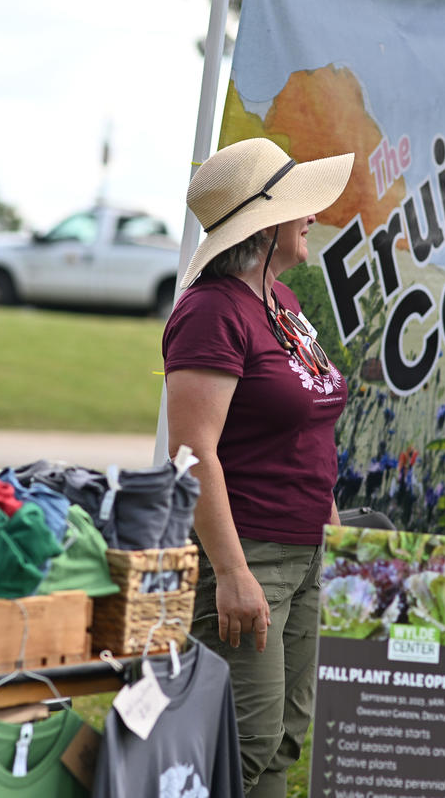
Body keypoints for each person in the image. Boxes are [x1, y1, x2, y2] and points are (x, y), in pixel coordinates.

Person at [162, 137, 354, 798]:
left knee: (282, 739)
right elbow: (191, 453)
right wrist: (232, 571)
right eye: (300, 206)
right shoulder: (212, 311)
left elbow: (306, 426)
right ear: (265, 222)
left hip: (306, 551)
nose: (312, 217)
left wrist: (331, 526)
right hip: (249, 553)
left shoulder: (284, 304)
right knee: (239, 749)